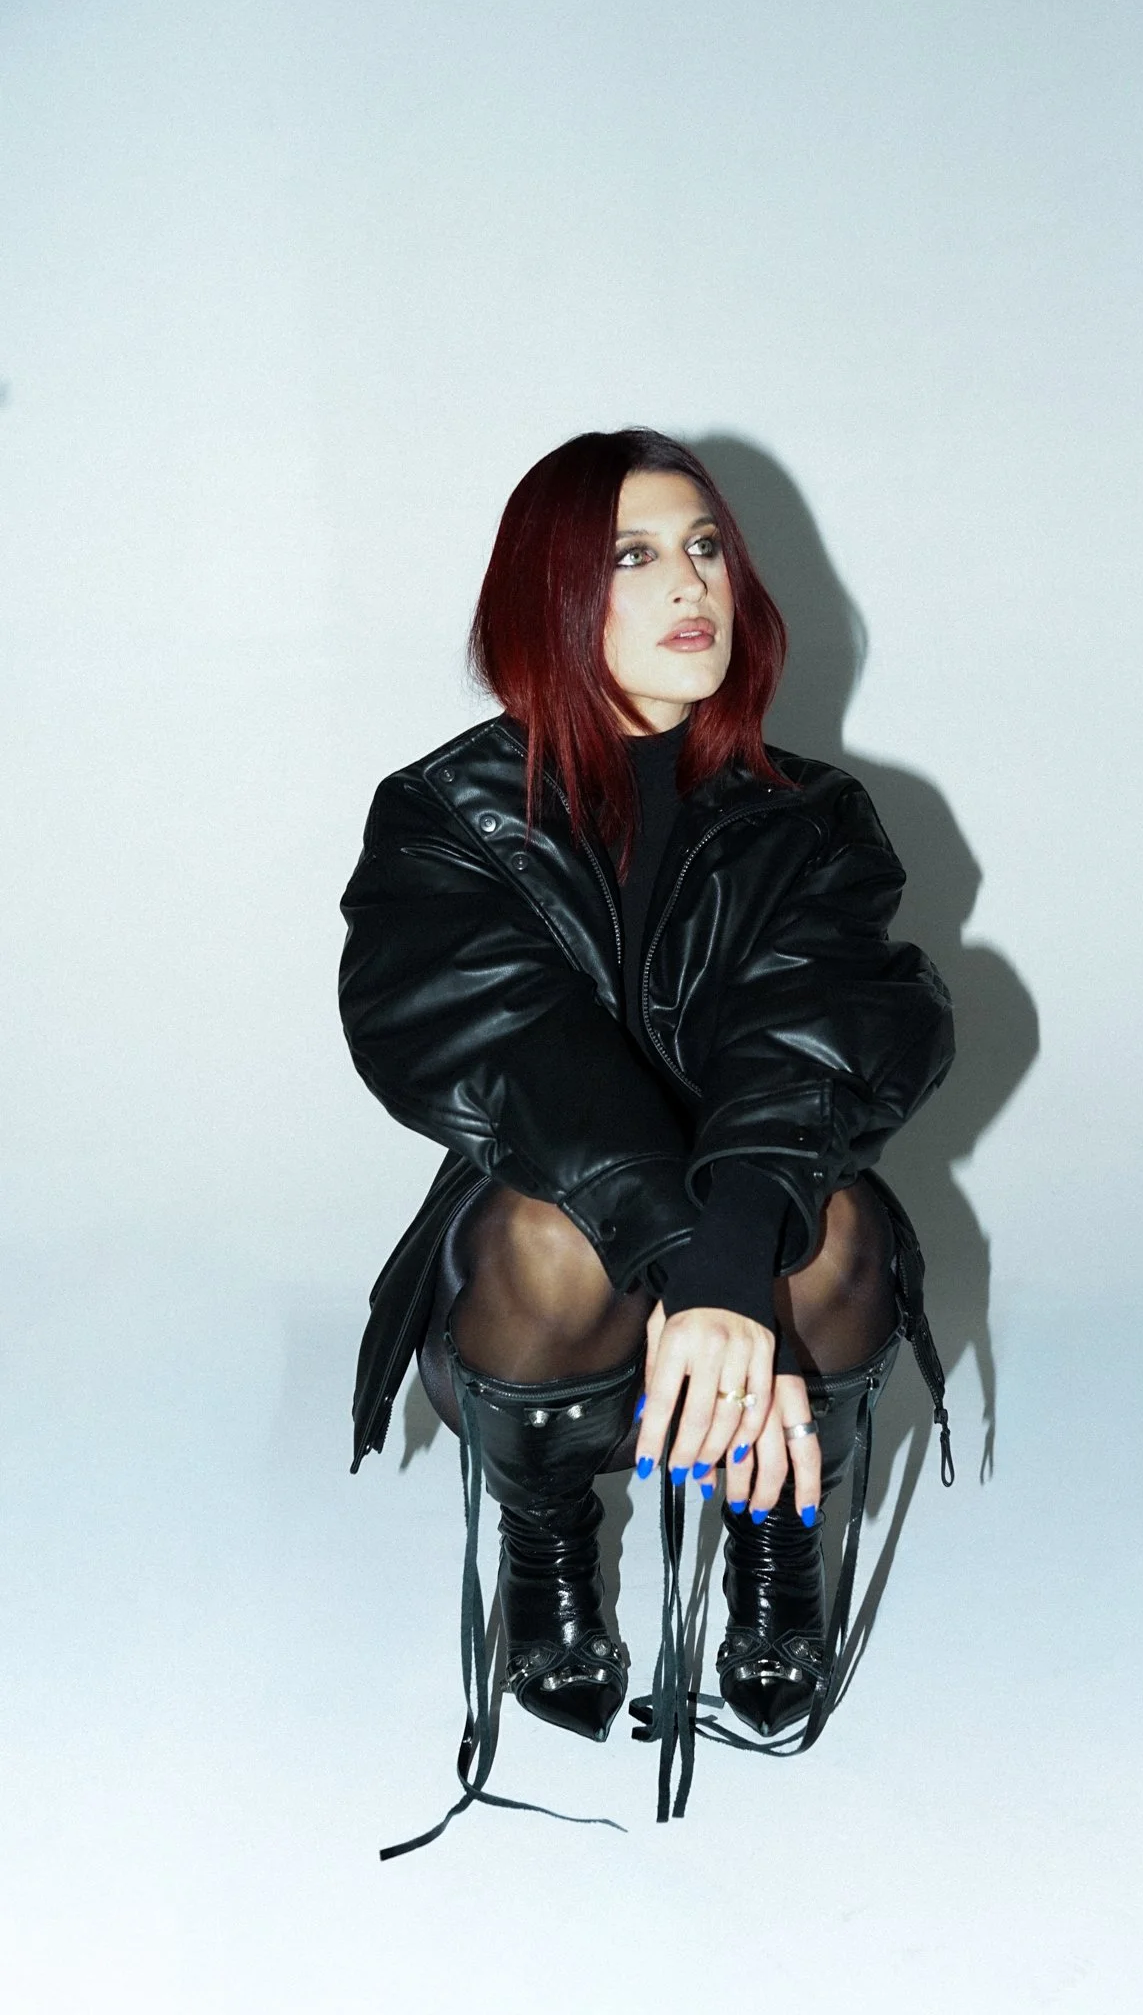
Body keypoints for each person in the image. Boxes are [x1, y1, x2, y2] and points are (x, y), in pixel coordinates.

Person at [338, 429, 956, 1836]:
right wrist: (693, 1261)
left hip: (758, 1217)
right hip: (558, 1247)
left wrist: (736, 1255)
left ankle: (775, 1523)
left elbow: (819, 1033)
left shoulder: (814, 820)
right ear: (550, 594)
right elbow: (503, 1046)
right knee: (552, 1239)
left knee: (834, 1231)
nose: (692, 583)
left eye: (705, 546)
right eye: (633, 555)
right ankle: (550, 1531)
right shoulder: (449, 817)